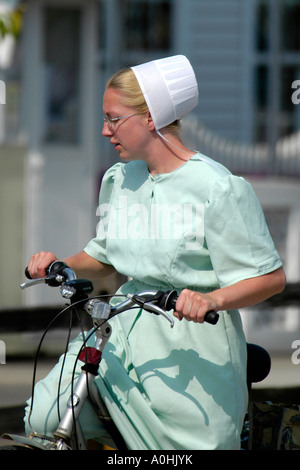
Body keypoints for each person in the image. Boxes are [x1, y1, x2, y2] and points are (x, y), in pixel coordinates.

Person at [24, 55, 285, 450]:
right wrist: (59, 264)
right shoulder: (119, 178)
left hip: (191, 341)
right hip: (119, 327)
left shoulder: (218, 188)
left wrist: (210, 298)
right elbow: (107, 256)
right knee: (46, 413)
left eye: (113, 119)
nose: (103, 130)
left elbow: (270, 278)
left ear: (150, 118)